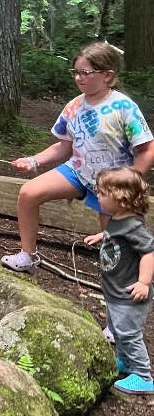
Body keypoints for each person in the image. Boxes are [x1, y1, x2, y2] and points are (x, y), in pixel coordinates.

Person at [2, 42, 154, 274]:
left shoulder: (123, 106)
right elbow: (64, 147)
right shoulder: (74, 106)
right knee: (28, 193)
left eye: (85, 73)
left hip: (113, 182)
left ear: (107, 75)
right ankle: (28, 255)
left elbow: (146, 149)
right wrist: (34, 161)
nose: (78, 78)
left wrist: (130, 181)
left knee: (114, 241)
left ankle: (123, 282)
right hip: (78, 171)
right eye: (75, 72)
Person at [84, 167, 154, 396]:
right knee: (116, 328)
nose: (98, 196)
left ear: (120, 199)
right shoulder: (117, 220)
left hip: (130, 294)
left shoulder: (134, 225)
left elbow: (149, 252)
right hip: (115, 292)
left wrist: (144, 282)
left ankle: (144, 376)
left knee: (128, 333)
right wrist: (102, 236)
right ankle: (125, 361)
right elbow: (115, 236)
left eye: (102, 193)